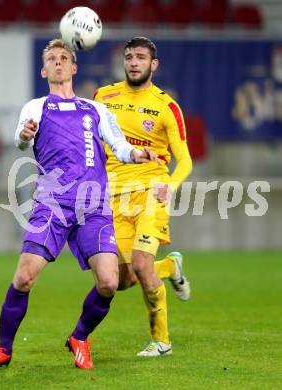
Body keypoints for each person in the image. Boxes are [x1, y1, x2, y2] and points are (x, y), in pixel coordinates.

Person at [0, 39, 159, 370]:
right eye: (52, 60)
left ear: (74, 67)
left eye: (64, 59)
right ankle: (3, 349)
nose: (58, 63)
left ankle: (80, 337)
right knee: (25, 277)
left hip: (93, 206)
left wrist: (138, 154)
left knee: (109, 282)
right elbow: (19, 139)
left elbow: (119, 144)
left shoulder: (95, 109)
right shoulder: (35, 107)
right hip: (53, 204)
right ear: (44, 70)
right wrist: (25, 135)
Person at [94, 37, 193, 357]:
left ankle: (161, 341)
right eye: (129, 57)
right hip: (114, 197)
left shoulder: (167, 107)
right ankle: (170, 267)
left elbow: (185, 160)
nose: (133, 62)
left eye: (140, 57)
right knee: (122, 281)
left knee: (140, 262)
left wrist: (171, 185)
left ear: (154, 64)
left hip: (152, 190)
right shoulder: (103, 97)